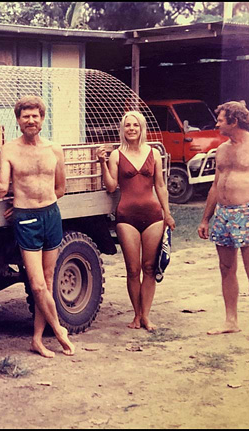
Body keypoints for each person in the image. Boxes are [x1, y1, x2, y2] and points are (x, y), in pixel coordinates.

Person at [0, 95, 75, 358]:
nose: (31, 120)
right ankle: (60, 331)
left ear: (42, 119)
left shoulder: (54, 149)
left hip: (51, 215)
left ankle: (37, 339)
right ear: (18, 120)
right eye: (25, 116)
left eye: (35, 115)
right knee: (36, 285)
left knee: (47, 281)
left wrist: (40, 203)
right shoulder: (10, 149)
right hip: (25, 220)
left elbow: (61, 188)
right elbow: (2, 188)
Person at [197, 101, 249, 342]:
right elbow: (214, 185)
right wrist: (205, 219)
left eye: (221, 119)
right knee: (226, 269)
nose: (217, 123)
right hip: (223, 214)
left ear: (234, 121)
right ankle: (231, 321)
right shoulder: (221, 149)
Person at [96, 111, 175, 331]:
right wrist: (102, 162)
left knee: (149, 267)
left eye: (135, 125)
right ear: (122, 130)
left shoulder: (154, 153)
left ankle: (147, 316)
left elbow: (160, 186)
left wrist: (167, 213)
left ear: (142, 128)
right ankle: (136, 314)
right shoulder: (116, 155)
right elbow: (111, 186)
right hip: (126, 216)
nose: (131, 128)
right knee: (133, 269)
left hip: (153, 216)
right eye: (127, 125)